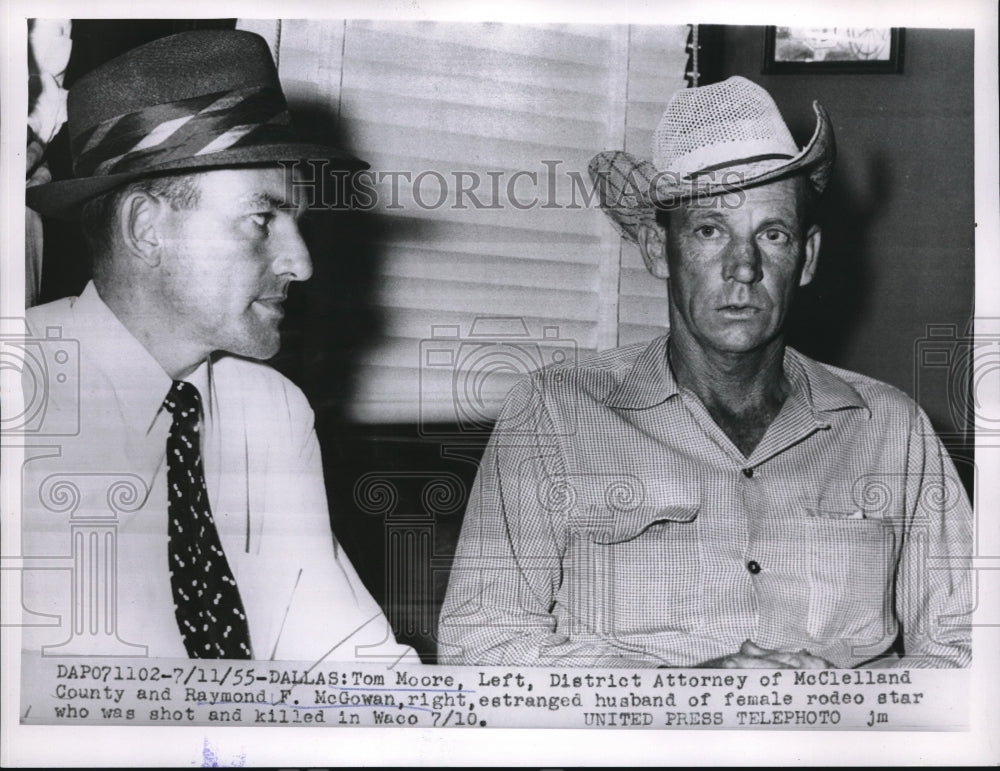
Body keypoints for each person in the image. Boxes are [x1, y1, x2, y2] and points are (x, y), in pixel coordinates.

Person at [437, 76, 972, 669]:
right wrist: (693, 695)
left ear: (808, 258)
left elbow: (967, 648)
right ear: (656, 248)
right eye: (710, 230)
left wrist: (844, 699)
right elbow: (481, 644)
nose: (743, 267)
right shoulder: (553, 415)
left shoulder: (892, 429)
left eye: (773, 234)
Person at [19, 30, 415, 663]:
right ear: (147, 229)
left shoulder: (273, 410)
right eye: (262, 220)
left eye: (298, 222)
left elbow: (344, 654)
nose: (302, 264)